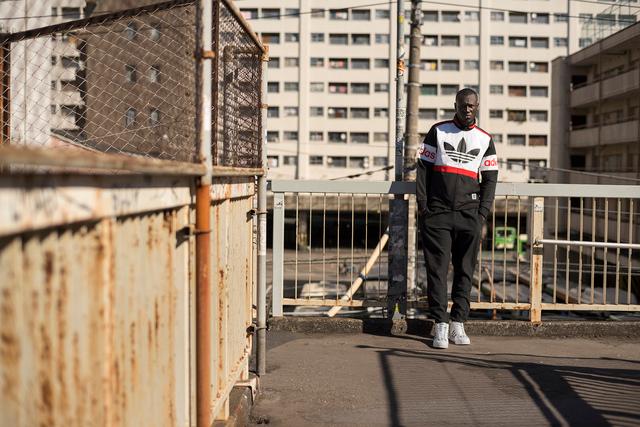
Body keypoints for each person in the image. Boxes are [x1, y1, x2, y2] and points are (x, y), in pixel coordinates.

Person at [416, 88, 498, 349]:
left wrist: (482, 214)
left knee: (465, 270)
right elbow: (422, 170)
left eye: (472, 105)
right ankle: (440, 324)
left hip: (469, 215)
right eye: (463, 104)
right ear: (456, 105)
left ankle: (457, 323)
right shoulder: (438, 131)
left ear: (477, 106)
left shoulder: (485, 139)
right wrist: (424, 207)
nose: (467, 109)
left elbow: (490, 180)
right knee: (437, 272)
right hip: (437, 214)